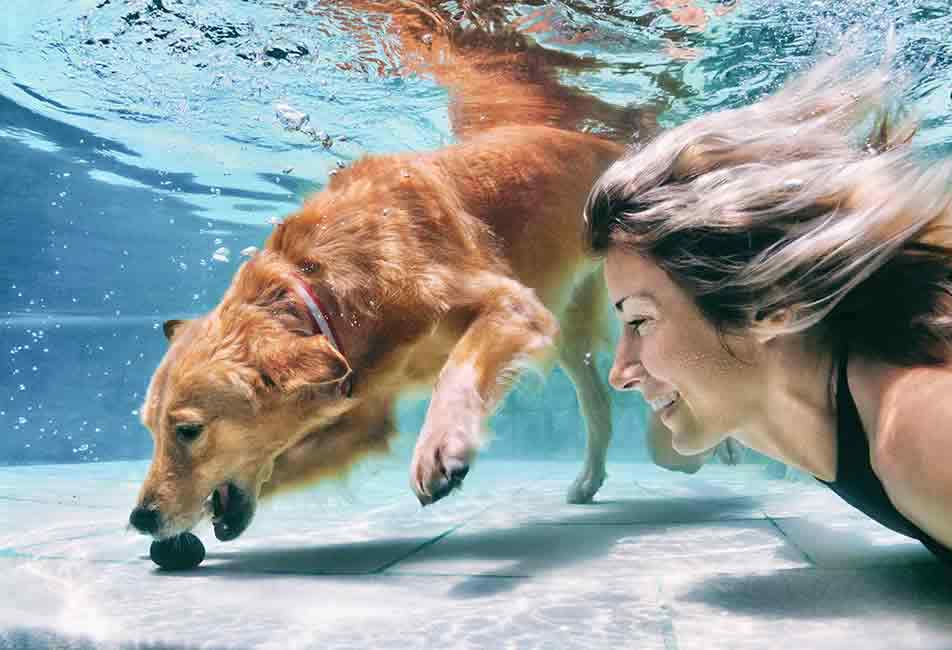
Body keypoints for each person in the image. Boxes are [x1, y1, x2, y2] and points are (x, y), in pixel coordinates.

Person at [582, 51, 952, 563]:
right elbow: (673, 454)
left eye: (641, 320)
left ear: (770, 305)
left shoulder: (920, 433)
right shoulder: (762, 395)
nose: (619, 373)